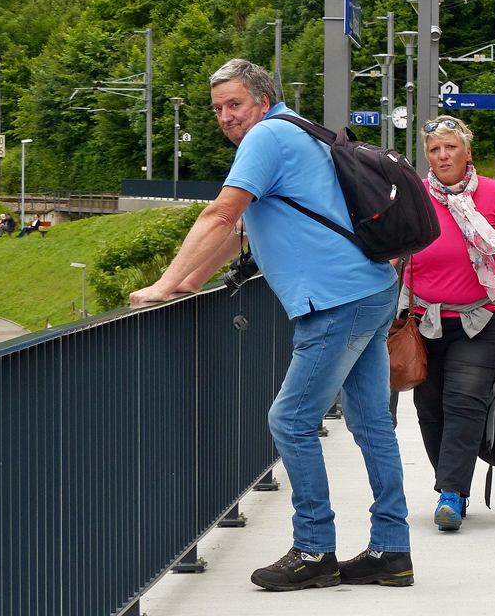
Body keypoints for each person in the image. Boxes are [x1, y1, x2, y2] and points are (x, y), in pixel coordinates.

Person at [129, 59, 413, 591]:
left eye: (234, 104)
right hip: (369, 288)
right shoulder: (295, 130)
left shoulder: (266, 139)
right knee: (372, 424)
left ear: (261, 99)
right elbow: (238, 226)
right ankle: (391, 549)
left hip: (336, 301)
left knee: (290, 421)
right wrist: (193, 279)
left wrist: (164, 285)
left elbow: (216, 215)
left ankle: (313, 549)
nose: (226, 117)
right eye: (217, 109)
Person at [405, 116, 495, 532]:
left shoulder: (493, 194)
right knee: (429, 408)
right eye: (435, 150)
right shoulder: (414, 196)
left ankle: (451, 494)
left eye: (451, 148)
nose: (443, 156)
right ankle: (451, 483)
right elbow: (393, 254)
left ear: (467, 152)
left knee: (465, 402)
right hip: (422, 321)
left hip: (481, 318)